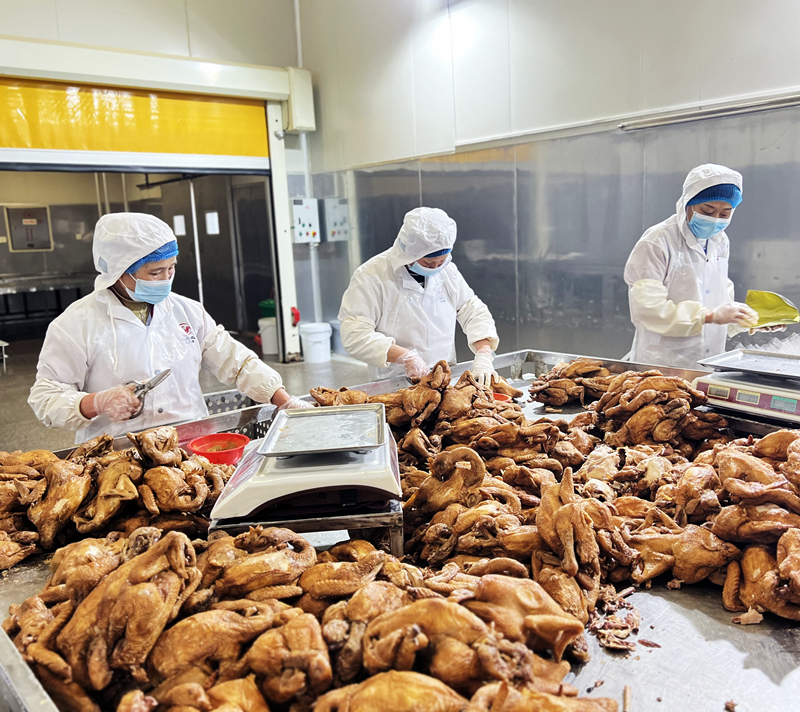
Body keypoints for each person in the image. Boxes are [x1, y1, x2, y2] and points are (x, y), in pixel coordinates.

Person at [29, 213, 310, 442]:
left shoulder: (186, 311)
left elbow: (235, 361)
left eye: (171, 268)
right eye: (155, 272)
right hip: (117, 453)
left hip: (189, 444)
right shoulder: (75, 324)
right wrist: (96, 402)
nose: (166, 279)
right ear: (119, 271)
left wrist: (284, 400)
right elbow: (46, 398)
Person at [624, 163, 779, 370]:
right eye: (707, 211)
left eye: (724, 214)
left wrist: (747, 320)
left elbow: (719, 299)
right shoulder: (657, 241)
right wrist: (709, 315)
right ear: (687, 203)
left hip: (709, 361)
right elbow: (648, 310)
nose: (715, 220)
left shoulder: (720, 241)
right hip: (661, 364)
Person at [338, 207, 499, 384]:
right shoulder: (372, 276)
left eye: (441, 261)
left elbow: (472, 310)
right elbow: (354, 334)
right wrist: (406, 357)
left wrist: (484, 353)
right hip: (395, 382)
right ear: (408, 254)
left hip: (443, 378)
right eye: (428, 263)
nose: (435, 268)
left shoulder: (447, 271)